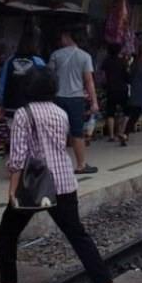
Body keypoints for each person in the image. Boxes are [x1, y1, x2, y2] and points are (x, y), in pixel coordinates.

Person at [0, 68, 124, 283]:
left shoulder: (23, 115)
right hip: (65, 182)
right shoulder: (61, 113)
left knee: (8, 231)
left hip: (34, 185)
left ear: (28, 88)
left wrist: (12, 190)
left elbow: (17, 159)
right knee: (78, 235)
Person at [49, 28, 99, 174]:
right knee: (77, 133)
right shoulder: (85, 56)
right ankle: (81, 165)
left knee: (57, 132)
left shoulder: (55, 55)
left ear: (67, 36)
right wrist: (94, 101)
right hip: (76, 99)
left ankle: (55, 166)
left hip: (57, 98)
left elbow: (49, 77)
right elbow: (89, 81)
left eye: (63, 36)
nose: (61, 39)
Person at [0, 34, 46, 112]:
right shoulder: (38, 62)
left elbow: (2, 83)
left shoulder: (9, 61)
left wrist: (0, 101)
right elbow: (44, 84)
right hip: (32, 108)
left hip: (10, 106)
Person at [120, 49, 142, 146]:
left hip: (135, 95)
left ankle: (125, 134)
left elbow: (130, 79)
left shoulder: (133, 65)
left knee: (133, 117)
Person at [100, 43, 129, 143]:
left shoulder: (106, 62)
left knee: (110, 112)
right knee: (126, 111)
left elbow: (103, 77)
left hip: (111, 89)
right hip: (122, 89)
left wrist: (105, 84)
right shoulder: (123, 61)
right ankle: (121, 131)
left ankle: (111, 135)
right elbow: (127, 76)